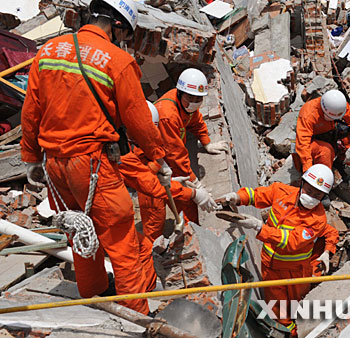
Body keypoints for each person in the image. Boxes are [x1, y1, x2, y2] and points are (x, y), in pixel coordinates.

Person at [21, 0, 169, 315]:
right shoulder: (117, 61)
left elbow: (31, 109)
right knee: (122, 243)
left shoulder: (48, 51)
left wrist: (31, 157)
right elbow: (138, 119)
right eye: (126, 35)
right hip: (90, 167)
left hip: (54, 166)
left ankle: (94, 298)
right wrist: (159, 157)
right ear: (117, 26)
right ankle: (136, 317)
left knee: (80, 233)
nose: (124, 42)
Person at [221, 164, 339, 336]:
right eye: (309, 189)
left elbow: (291, 241)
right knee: (278, 313)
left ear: (324, 197)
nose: (312, 196)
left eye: (318, 194)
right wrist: (237, 197)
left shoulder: (317, 219)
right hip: (270, 269)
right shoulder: (282, 192)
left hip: (297, 272)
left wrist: (259, 227)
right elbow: (257, 195)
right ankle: (289, 333)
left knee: (299, 308)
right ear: (301, 183)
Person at [128, 102, 217, 241]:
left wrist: (162, 165)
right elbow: (151, 186)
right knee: (153, 215)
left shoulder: (143, 135)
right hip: (116, 191)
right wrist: (193, 192)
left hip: (147, 171)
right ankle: (153, 249)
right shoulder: (123, 153)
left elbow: (154, 148)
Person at [151, 68, 227, 223]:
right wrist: (196, 183)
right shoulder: (168, 115)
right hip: (155, 160)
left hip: (170, 154)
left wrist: (207, 143)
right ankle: (188, 230)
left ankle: (191, 226)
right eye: (190, 97)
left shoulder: (185, 105)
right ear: (180, 93)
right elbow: (175, 154)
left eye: (198, 99)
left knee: (186, 195)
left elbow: (196, 122)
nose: (194, 102)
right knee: (173, 200)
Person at [293, 89, 350, 182]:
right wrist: (308, 170)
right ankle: (323, 180)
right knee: (326, 152)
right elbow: (303, 144)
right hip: (313, 140)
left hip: (329, 132)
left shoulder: (339, 106)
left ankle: (340, 163)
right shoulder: (308, 114)